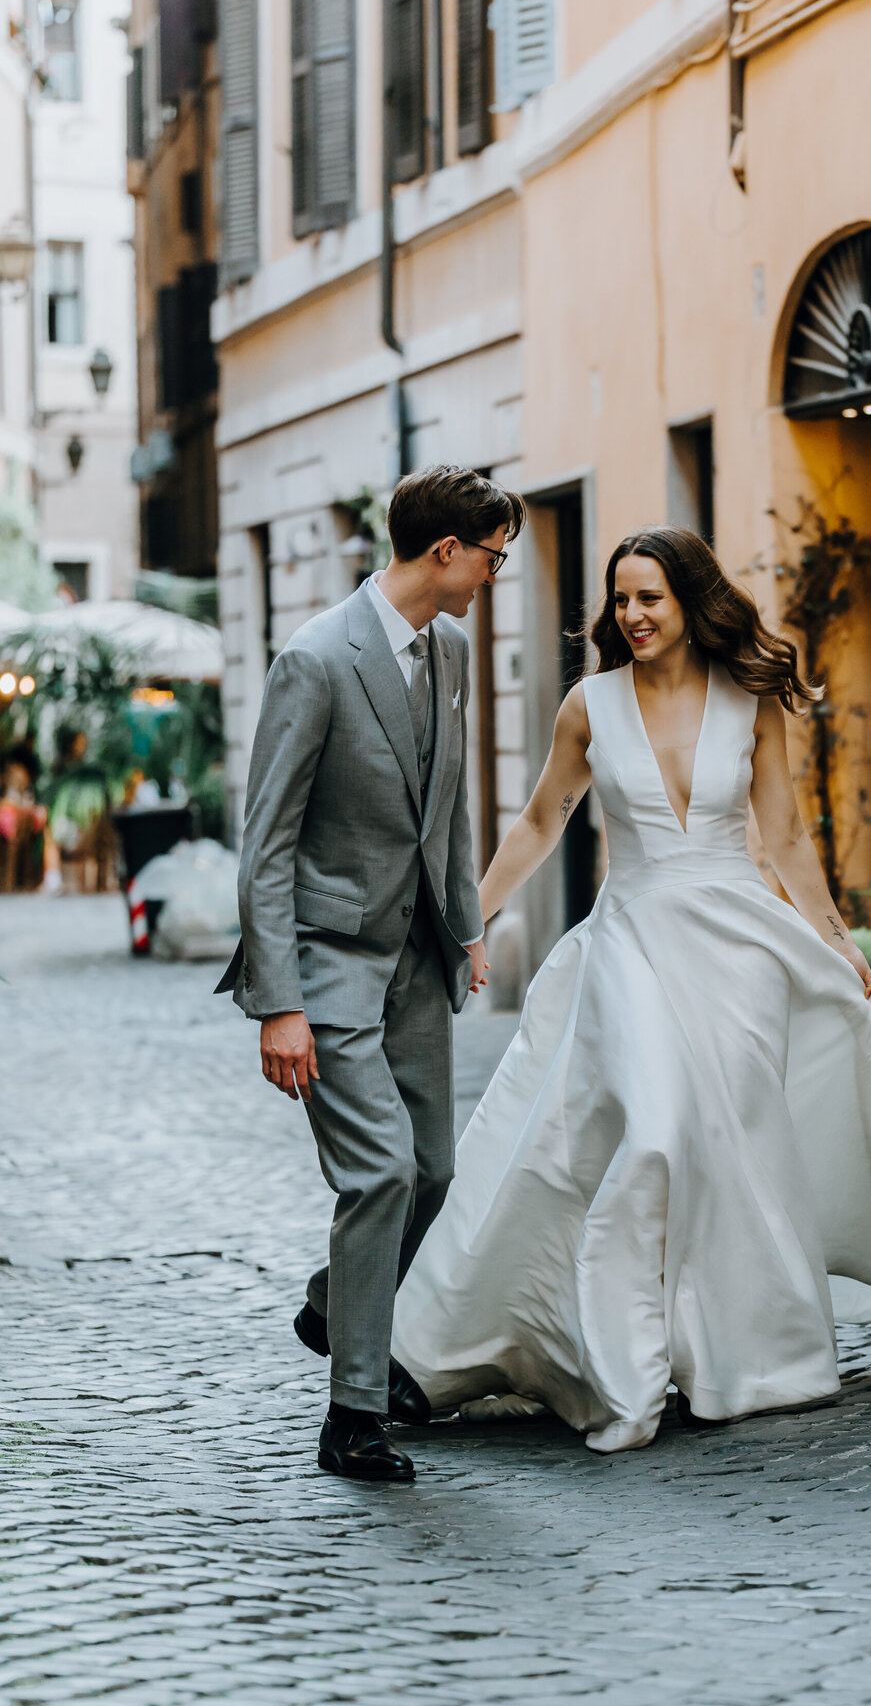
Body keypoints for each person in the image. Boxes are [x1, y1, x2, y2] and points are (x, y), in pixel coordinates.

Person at [391, 526, 871, 1453]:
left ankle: (737, 1355)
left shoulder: (750, 699)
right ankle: (628, 1366)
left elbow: (783, 836)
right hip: (631, 937)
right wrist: (475, 918)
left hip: (736, 944)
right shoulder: (591, 705)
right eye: (621, 600)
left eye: (650, 597)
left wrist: (834, 936)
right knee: (655, 1131)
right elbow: (543, 821)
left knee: (734, 1139)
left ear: (692, 602)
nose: (633, 615)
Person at [217, 464, 525, 1483]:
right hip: (330, 963)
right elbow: (266, 842)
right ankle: (352, 1419)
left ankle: (329, 1299)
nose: (494, 572)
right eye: (490, 555)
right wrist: (279, 1004)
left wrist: (467, 924)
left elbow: (452, 800)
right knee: (380, 1171)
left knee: (432, 1173)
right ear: (445, 552)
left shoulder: (451, 650)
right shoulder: (315, 659)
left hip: (417, 965)